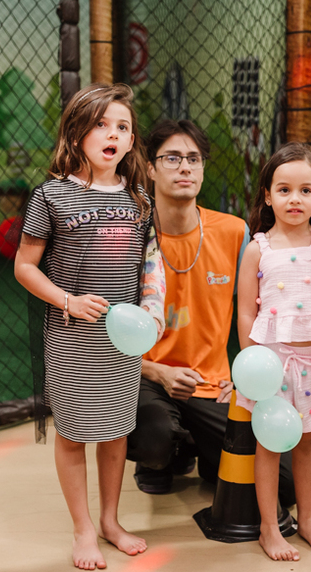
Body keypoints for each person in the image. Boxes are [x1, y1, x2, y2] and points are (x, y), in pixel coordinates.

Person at [13, 84, 166, 571]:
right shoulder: (51, 196)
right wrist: (67, 300)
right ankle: (82, 528)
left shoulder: (139, 197)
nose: (113, 134)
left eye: (122, 127)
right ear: (77, 131)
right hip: (72, 335)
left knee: (117, 431)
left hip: (122, 338)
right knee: (75, 433)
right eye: (101, 124)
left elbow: (151, 265)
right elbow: (25, 266)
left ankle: (110, 521)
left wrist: (151, 313)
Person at [126, 120, 295, 505]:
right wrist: (156, 372)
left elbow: (265, 309)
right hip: (148, 378)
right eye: (172, 158)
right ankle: (161, 458)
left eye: (193, 159)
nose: (184, 167)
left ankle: (197, 445)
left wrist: (247, 379)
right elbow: (110, 332)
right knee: (154, 438)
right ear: (150, 168)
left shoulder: (234, 232)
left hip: (213, 385)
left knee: (282, 488)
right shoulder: (131, 237)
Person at [237, 142, 311, 561]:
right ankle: (269, 527)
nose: (295, 199)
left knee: (307, 442)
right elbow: (245, 311)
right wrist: (251, 367)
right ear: (267, 195)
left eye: (306, 190)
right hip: (271, 366)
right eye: (284, 189)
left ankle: (305, 519)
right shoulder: (258, 249)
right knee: (269, 445)